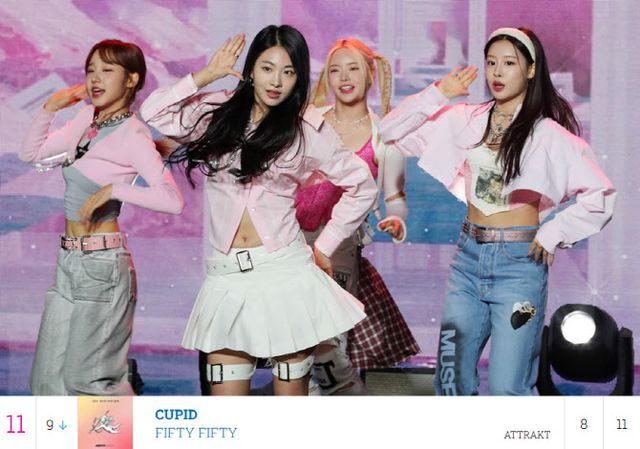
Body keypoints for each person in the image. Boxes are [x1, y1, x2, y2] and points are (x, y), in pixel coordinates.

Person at [140, 26, 377, 396]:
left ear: (299, 78)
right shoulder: (215, 112)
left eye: (288, 71)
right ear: (251, 69)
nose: (276, 81)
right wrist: (207, 75)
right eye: (268, 68)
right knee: (228, 417)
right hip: (227, 279)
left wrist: (324, 246)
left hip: (286, 272)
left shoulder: (306, 130)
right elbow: (153, 112)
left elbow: (362, 184)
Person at [379, 27, 616, 395]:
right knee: (451, 383)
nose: (497, 72)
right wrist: (438, 93)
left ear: (531, 70)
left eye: (509, 63)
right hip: (467, 260)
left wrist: (553, 233)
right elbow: (389, 132)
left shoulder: (548, 135)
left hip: (519, 264)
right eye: (491, 63)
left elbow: (601, 193)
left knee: (508, 388)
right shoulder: (465, 118)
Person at [20, 39, 185, 395]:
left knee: (90, 382)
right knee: (47, 383)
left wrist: (115, 190)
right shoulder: (85, 119)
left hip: (103, 265)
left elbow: (173, 201)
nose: (95, 78)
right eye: (90, 70)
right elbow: (31, 153)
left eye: (107, 70)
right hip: (69, 262)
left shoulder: (134, 136)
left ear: (131, 80)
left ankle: (125, 418)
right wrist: (50, 108)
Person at [295, 38, 420, 394]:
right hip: (290, 241)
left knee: (330, 348)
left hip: (340, 249)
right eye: (335, 70)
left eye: (353, 69)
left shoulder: (385, 136)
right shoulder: (308, 121)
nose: (344, 77)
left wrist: (397, 220)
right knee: (291, 343)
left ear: (370, 75)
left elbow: (395, 198)